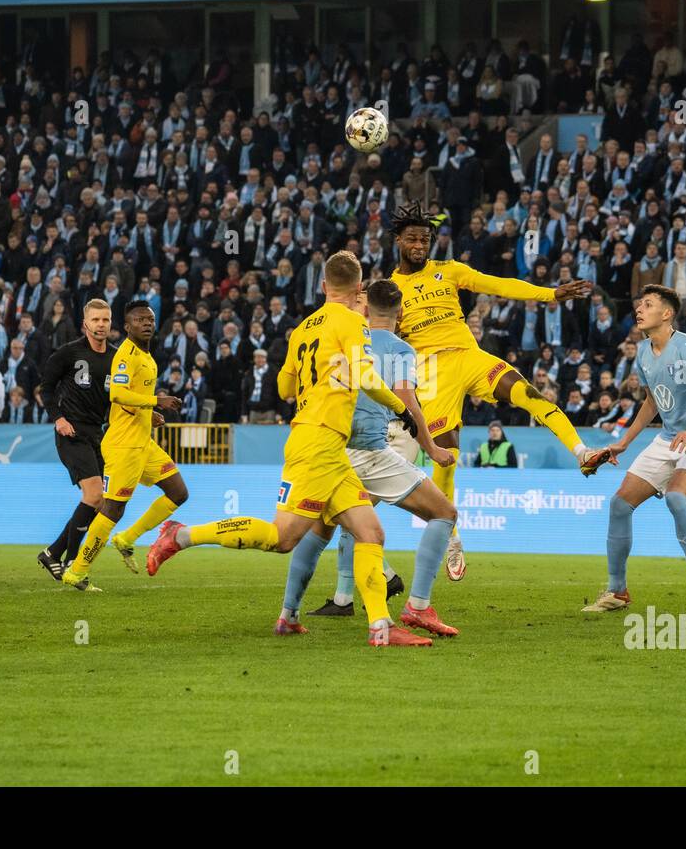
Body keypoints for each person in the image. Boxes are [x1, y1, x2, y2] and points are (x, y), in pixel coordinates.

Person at [144, 251, 435, 647]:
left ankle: (379, 628)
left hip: (323, 444)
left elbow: (283, 389)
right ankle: (182, 536)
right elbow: (365, 374)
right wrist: (403, 408)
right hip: (319, 443)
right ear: (359, 287)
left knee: (370, 532)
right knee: (283, 539)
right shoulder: (352, 321)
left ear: (322, 285)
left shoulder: (302, 329)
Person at [387, 200, 603, 582]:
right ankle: (452, 537)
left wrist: (550, 295)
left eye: (425, 238)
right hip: (431, 373)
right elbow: (383, 336)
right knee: (446, 457)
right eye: (412, 239)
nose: (420, 244)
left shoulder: (449, 270)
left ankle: (582, 451)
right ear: (398, 241)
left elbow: (499, 284)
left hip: (469, 355)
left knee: (529, 394)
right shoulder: (390, 288)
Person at [280, 279, 461, 636]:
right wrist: (431, 448)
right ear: (402, 312)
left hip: (330, 447)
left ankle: (289, 613)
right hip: (370, 452)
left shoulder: (344, 335)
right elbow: (406, 399)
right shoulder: (399, 350)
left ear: (365, 307)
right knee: (444, 513)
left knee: (319, 529)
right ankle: (418, 607)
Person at [584, 284, 686, 614]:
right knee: (619, 505)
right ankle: (617, 591)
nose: (639, 309)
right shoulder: (642, 352)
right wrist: (624, 441)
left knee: (677, 498)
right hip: (666, 439)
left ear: (666, 314)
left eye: (647, 305)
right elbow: (652, 402)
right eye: (639, 304)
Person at [60, 301, 187, 590]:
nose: (147, 324)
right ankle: (77, 571)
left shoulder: (147, 356)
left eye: (150, 319)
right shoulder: (126, 356)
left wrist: (147, 413)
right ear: (127, 327)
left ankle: (127, 538)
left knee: (178, 492)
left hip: (144, 443)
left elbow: (131, 396)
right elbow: (117, 393)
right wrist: (157, 401)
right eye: (140, 320)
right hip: (123, 447)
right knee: (112, 510)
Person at [35, 299, 116, 579]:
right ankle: (72, 563)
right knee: (94, 495)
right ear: (85, 324)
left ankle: (53, 554)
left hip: (98, 434)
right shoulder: (68, 353)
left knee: (101, 501)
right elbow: (45, 389)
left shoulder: (117, 357)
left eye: (105, 320)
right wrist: (58, 418)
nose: (101, 325)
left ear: (111, 322)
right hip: (71, 431)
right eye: (96, 320)